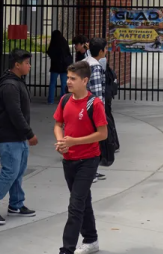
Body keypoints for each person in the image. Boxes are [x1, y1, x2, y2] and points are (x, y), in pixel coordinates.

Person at [53, 60, 109, 254]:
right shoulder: (65, 100)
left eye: (73, 79)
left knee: (75, 205)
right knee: (83, 200)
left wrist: (73, 142)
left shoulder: (95, 103)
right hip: (69, 160)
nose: (68, 82)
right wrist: (61, 142)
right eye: (68, 78)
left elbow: (103, 134)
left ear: (85, 80)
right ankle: (91, 240)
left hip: (88, 160)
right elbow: (58, 124)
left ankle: (66, 249)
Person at [0, 49, 38, 225]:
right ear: (17, 65)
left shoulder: (16, 82)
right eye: (27, 63)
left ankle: (16, 204)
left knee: (18, 171)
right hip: (8, 136)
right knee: (10, 171)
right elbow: (15, 113)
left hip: (17, 136)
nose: (29, 66)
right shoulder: (10, 86)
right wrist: (29, 134)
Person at [86, 38, 108, 182]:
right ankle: (90, 172)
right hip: (93, 109)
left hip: (85, 106)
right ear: (100, 51)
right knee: (93, 142)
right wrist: (101, 111)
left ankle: (93, 170)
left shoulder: (86, 62)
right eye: (105, 49)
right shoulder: (95, 66)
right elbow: (97, 92)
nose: (106, 51)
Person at [47, 30, 72, 104]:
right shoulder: (64, 42)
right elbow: (68, 53)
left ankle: (50, 100)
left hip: (55, 66)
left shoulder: (53, 43)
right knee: (64, 83)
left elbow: (50, 52)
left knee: (52, 83)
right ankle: (63, 100)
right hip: (64, 66)